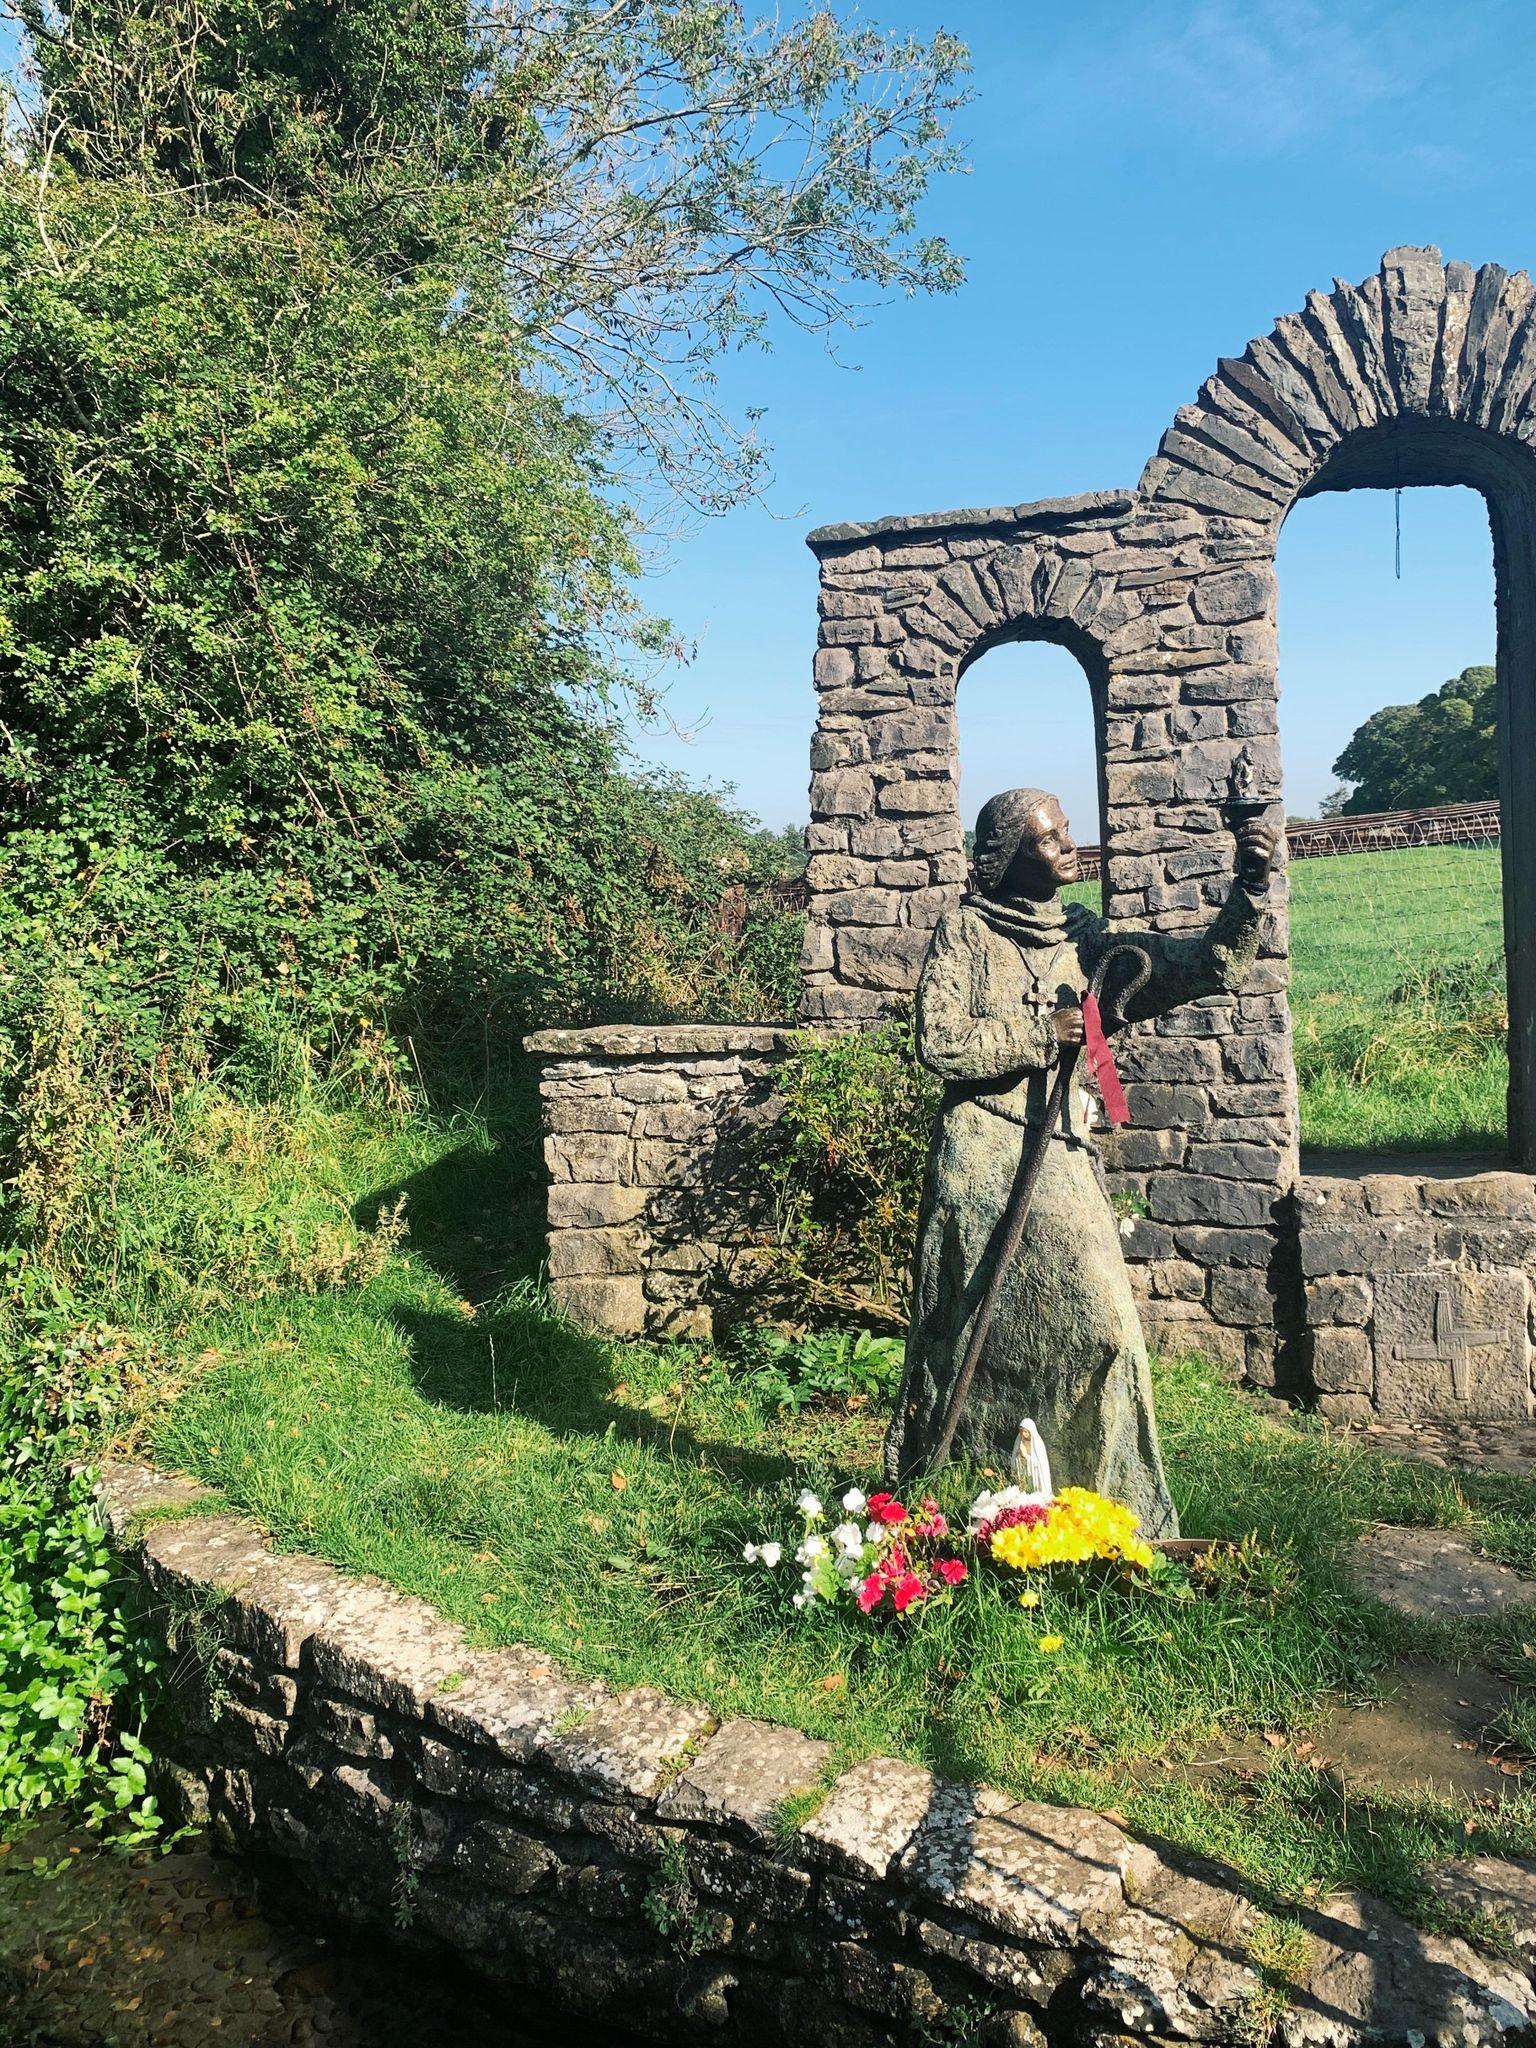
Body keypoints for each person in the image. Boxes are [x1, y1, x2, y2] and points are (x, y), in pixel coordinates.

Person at [884, 788, 1279, 1534]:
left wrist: (1249, 890)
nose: (1070, 846)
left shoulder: (1084, 937)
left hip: (1056, 1151)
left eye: (1065, 832)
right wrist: (1043, 1030)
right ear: (1007, 858)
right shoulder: (965, 934)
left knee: (1107, 1331)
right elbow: (939, 1042)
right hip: (981, 1158)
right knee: (967, 1329)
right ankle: (953, 1502)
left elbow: (1202, 968)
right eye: (1049, 839)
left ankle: (1112, 1516)